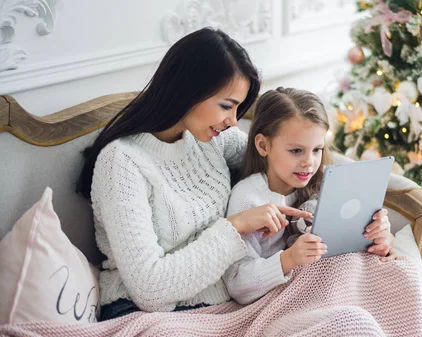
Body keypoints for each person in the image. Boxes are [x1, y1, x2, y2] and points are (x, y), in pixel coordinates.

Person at [76, 28, 311, 320]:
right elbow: (149, 289)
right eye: (226, 106)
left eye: (238, 108)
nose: (233, 121)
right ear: (188, 90)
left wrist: (362, 215)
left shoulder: (213, 139)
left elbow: (285, 165)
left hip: (224, 305)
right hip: (143, 314)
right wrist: (234, 226)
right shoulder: (121, 162)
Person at [223, 87, 395, 305]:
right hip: (282, 301)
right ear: (263, 145)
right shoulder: (248, 199)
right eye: (296, 151)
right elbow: (237, 284)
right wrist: (288, 259)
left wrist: (382, 238)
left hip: (336, 290)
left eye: (317, 150)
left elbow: (354, 248)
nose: (309, 162)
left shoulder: (326, 183)